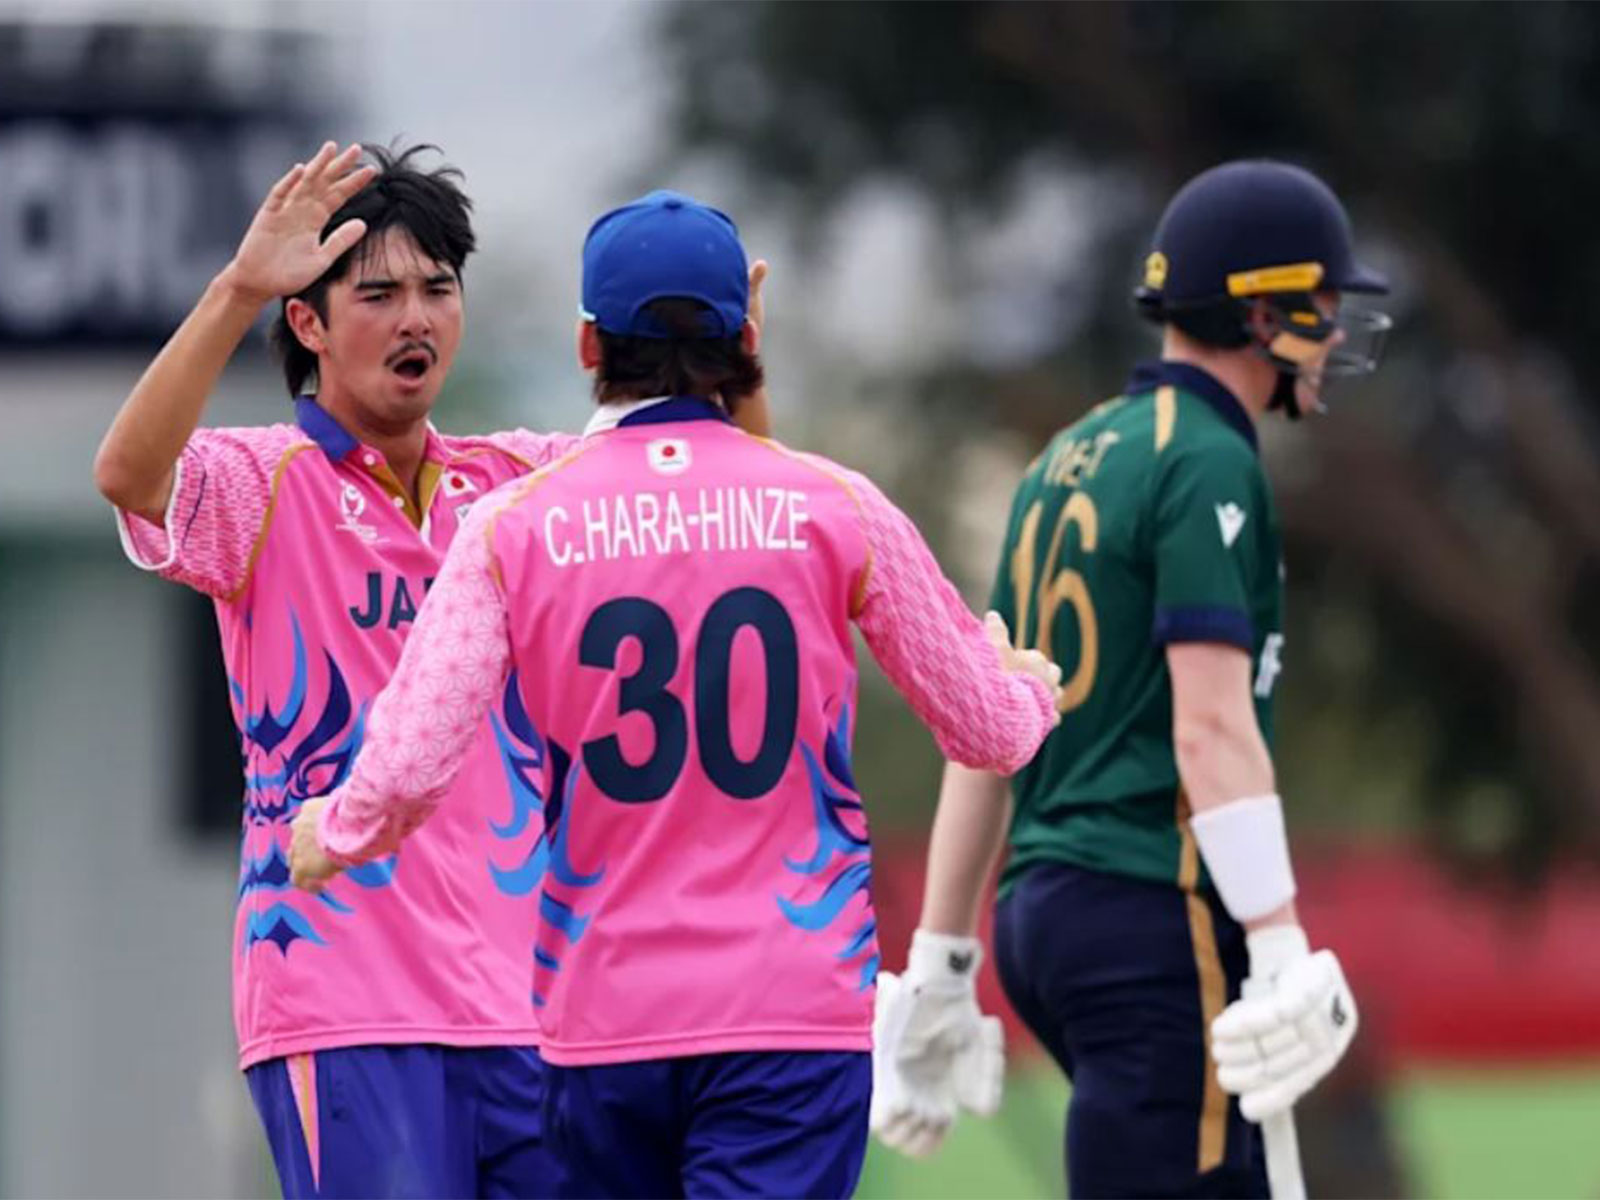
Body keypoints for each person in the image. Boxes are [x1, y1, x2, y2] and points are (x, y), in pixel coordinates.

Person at [287, 188, 1064, 1199]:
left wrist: (331, 833)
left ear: (585, 346)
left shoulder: (515, 525)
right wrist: (1030, 689)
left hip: (600, 1019)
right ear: (747, 336)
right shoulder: (834, 504)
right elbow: (988, 730)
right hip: (790, 1010)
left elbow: (410, 766)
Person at [93, 142, 770, 1198]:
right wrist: (237, 290)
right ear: (308, 323)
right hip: (345, 1009)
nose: (416, 317)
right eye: (380, 294)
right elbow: (129, 474)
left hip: (538, 1014)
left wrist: (731, 364)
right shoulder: (258, 483)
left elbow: (716, 487)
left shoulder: (519, 484)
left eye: (438, 289)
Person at [871, 159, 1390, 1196]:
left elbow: (987, 727)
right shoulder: (1205, 458)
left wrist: (940, 957)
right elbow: (1209, 727)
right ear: (1261, 310)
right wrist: (1279, 938)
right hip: (1152, 907)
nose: (1334, 334)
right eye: (1321, 307)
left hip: (1042, 912)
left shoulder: (1060, 456)